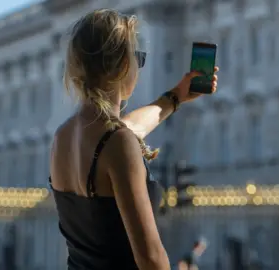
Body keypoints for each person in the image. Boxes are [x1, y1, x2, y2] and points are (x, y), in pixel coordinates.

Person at [49, 9, 218, 270]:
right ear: (123, 65)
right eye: (137, 59)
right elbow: (150, 258)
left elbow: (131, 127)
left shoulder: (64, 137)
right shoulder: (117, 142)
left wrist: (177, 95)